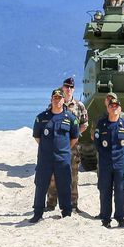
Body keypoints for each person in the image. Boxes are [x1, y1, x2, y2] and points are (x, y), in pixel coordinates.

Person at [29, 89, 80, 223]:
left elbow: (74, 138)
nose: (57, 100)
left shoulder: (70, 118)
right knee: (41, 185)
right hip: (45, 159)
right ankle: (38, 213)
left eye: (59, 98)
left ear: (63, 100)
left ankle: (66, 212)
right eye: (55, 98)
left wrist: (63, 149)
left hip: (62, 159)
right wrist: (48, 149)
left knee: (64, 185)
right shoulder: (41, 118)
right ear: (51, 99)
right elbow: (37, 137)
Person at [93, 93, 124, 228]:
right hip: (105, 163)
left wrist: (123, 157)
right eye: (112, 106)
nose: (114, 108)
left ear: (120, 109)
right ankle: (105, 219)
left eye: (116, 106)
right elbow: (97, 143)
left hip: (120, 163)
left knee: (121, 190)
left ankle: (120, 218)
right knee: (105, 191)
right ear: (108, 108)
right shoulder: (102, 124)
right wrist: (105, 156)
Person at [46, 76, 87, 212]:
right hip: (57, 145)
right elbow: (47, 122)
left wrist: (74, 135)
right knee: (53, 175)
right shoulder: (56, 103)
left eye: (71, 87)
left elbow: (84, 124)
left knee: (73, 176)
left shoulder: (79, 106)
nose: (68, 89)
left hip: (73, 146)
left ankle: (73, 204)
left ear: (74, 89)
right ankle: (51, 204)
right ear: (63, 88)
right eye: (66, 87)